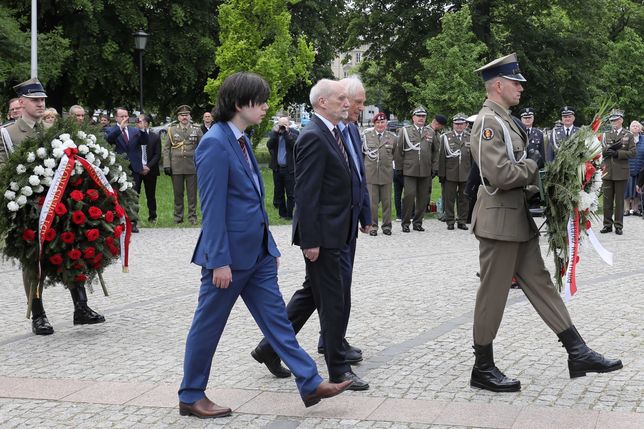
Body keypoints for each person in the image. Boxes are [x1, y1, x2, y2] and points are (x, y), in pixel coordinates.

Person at [178, 72, 352, 419]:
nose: (266, 107)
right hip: (227, 260)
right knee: (208, 326)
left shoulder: (240, 139)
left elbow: (254, 203)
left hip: (256, 257)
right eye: (260, 102)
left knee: (278, 323)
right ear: (241, 104)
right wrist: (218, 261)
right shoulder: (215, 142)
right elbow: (212, 209)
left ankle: (310, 382)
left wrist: (269, 248)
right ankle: (191, 394)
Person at [469, 53, 622, 393]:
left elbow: (516, 174)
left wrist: (546, 187)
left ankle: (577, 351)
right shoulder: (487, 121)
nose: (520, 88)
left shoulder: (504, 119)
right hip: (498, 223)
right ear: (498, 85)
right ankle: (482, 367)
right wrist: (534, 166)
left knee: (541, 286)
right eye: (515, 82)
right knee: (492, 295)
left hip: (515, 220)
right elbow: (499, 174)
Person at [251, 78, 370, 391]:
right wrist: (311, 241)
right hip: (325, 237)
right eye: (341, 99)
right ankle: (338, 369)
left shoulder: (331, 132)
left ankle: (268, 348)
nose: (347, 103)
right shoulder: (314, 136)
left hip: (338, 232)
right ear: (322, 103)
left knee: (313, 295)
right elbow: (305, 194)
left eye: (348, 99)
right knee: (332, 302)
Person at [1, 78, 105, 335]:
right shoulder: (7, 134)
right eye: (35, 100)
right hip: (27, 206)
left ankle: (80, 307)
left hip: (58, 203)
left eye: (43, 100)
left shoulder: (50, 131)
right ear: (21, 102)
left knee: (72, 247)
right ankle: (38, 314)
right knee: (32, 260)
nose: (40, 104)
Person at [106, 107, 149, 233]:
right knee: (118, 195)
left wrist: (142, 129)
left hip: (134, 168)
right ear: (116, 118)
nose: (125, 118)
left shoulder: (134, 130)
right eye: (122, 116)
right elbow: (109, 140)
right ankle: (119, 222)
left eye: (126, 116)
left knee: (134, 194)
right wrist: (120, 128)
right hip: (119, 167)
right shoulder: (111, 129)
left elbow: (145, 141)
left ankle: (133, 222)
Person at [395, 106, 438, 232]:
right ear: (413, 117)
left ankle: (418, 222)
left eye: (423, 116)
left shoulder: (430, 131)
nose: (421, 118)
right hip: (409, 169)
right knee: (409, 195)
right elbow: (399, 150)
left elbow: (435, 150)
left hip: (425, 169)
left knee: (423, 197)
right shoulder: (406, 131)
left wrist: (434, 167)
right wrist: (399, 167)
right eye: (418, 116)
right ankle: (406, 223)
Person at [163, 105, 203, 224]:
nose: (184, 117)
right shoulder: (171, 130)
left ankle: (192, 217)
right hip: (176, 166)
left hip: (192, 166)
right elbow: (166, 149)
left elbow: (203, 147)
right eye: (182, 115)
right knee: (178, 193)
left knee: (192, 195)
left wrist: (201, 163)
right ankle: (178, 217)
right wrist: (166, 165)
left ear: (190, 116)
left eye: (186, 115)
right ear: (178, 117)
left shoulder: (197, 129)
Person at [600, 110, 636, 235]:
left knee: (619, 201)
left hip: (621, 172)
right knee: (607, 201)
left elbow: (632, 153)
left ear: (621, 120)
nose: (613, 122)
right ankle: (607, 225)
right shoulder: (606, 134)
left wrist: (618, 153)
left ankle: (618, 225)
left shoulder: (628, 135)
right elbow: (599, 150)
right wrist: (606, 152)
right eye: (612, 121)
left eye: (616, 120)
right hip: (607, 171)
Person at [362, 111, 396, 235]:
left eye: (382, 122)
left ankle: (387, 226)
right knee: (372, 203)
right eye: (378, 122)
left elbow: (395, 155)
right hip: (371, 174)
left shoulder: (392, 137)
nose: (380, 125)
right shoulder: (366, 136)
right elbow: (362, 155)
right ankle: (373, 226)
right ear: (374, 124)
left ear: (386, 123)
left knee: (387, 202)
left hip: (386, 174)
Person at [438, 113, 471, 230]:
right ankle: (450, 220)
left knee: (464, 198)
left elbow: (473, 158)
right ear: (453, 125)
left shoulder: (470, 137)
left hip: (466, 173)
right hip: (450, 173)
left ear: (465, 125)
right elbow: (441, 157)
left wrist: (473, 174)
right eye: (456, 124)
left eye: (461, 124)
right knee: (449, 198)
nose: (459, 126)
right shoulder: (446, 137)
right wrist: (441, 174)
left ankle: (462, 221)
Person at [267, 115, 299, 219]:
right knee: (279, 192)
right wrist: (276, 133)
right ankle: (282, 214)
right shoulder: (275, 135)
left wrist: (286, 133)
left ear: (289, 125)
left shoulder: (293, 135)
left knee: (290, 194)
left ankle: (289, 215)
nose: (283, 127)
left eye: (285, 125)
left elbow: (294, 146)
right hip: (277, 169)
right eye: (281, 125)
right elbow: (269, 145)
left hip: (289, 169)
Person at [136, 114, 161, 223]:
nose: (138, 123)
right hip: (137, 169)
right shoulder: (134, 135)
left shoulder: (155, 136)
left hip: (150, 170)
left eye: (140, 121)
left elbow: (157, 154)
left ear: (146, 123)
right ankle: (134, 218)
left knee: (150, 194)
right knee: (135, 193)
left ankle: (153, 216)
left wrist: (148, 166)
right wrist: (139, 166)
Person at [624, 120, 644, 215]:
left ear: (640, 129)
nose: (635, 127)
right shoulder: (625, 138)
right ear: (630, 128)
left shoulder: (643, 139)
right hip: (627, 168)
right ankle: (626, 209)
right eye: (633, 126)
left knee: (638, 190)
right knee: (626, 189)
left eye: (637, 126)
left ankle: (636, 209)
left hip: (640, 169)